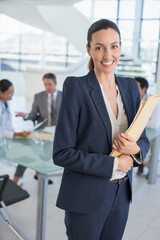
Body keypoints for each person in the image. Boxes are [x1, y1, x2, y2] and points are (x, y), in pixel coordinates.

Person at [53, 19, 150, 240]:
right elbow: (61, 153)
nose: (108, 55)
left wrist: (135, 150)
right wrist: (115, 163)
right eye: (99, 47)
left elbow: (142, 139)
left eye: (114, 46)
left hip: (121, 194)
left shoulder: (130, 86)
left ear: (120, 48)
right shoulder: (75, 87)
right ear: (89, 50)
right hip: (86, 196)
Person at [14, 73, 62, 184]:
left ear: (55, 83)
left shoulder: (65, 95)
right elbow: (34, 114)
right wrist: (26, 115)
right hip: (42, 132)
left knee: (46, 154)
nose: (47, 87)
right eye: (45, 84)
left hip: (58, 133)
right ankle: (15, 180)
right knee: (27, 152)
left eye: (50, 84)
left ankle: (39, 173)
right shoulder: (39, 96)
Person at [0, 79, 30, 175]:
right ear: (1, 93)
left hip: (6, 138)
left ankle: (16, 180)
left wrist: (18, 134)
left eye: (13, 91)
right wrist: (17, 134)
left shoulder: (6, 102)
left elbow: (8, 124)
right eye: (10, 92)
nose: (12, 94)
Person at [135, 76, 160, 177]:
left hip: (152, 130)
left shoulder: (154, 102)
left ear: (144, 89)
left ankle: (148, 167)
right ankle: (141, 164)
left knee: (142, 149)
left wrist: (138, 123)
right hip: (138, 130)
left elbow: (154, 124)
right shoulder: (131, 100)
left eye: (136, 87)